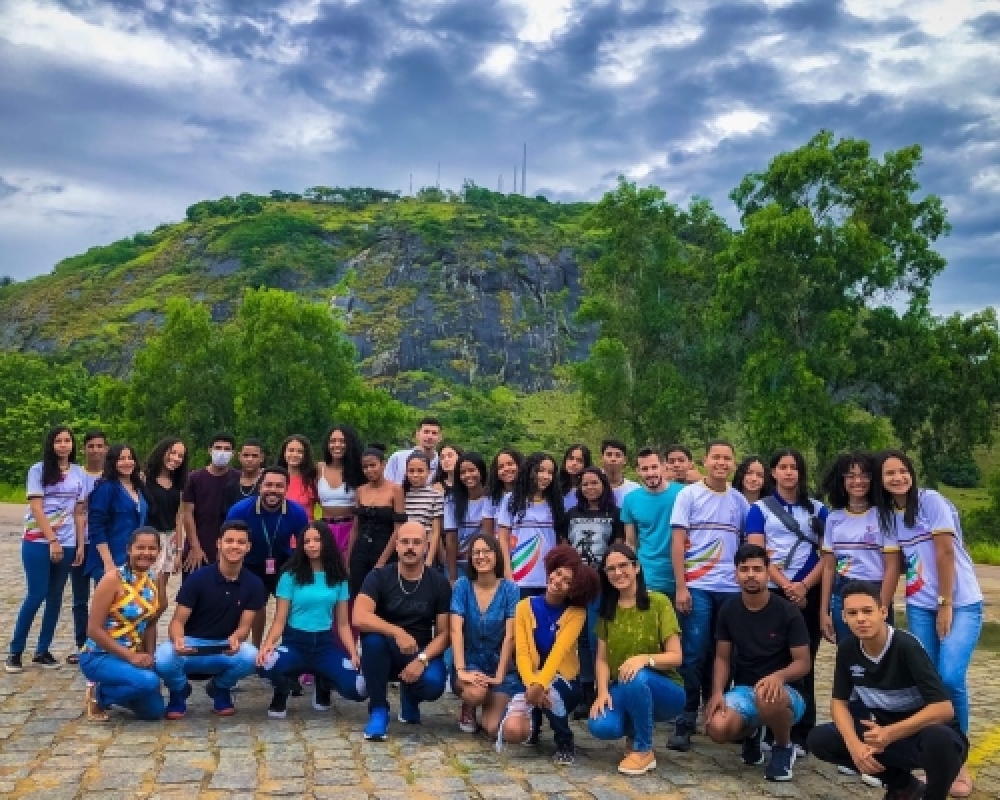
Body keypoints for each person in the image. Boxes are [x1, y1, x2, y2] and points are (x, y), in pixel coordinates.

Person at [873, 449, 982, 798]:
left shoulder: (930, 501)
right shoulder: (887, 516)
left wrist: (945, 602)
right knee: (928, 684)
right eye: (889, 473)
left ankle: (958, 760)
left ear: (911, 473)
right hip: (919, 606)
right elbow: (892, 568)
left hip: (960, 601)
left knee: (950, 678)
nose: (897, 478)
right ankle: (935, 752)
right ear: (881, 480)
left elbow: (945, 553)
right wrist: (880, 606)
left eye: (902, 471)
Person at [807, 581, 969, 800]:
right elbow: (839, 703)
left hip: (930, 740)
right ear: (844, 617)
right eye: (852, 613)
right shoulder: (847, 650)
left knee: (938, 738)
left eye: (867, 611)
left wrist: (889, 733)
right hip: (887, 738)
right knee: (820, 739)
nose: (861, 619)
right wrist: (854, 746)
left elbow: (943, 709)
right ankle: (904, 786)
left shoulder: (906, 647)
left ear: (883, 612)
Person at [704, 544, 811, 783]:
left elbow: (803, 663)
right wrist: (718, 692)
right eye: (744, 569)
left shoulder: (787, 611)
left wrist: (779, 677)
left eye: (757, 569)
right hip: (745, 690)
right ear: (736, 573)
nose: (750, 575)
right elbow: (722, 656)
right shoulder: (729, 609)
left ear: (767, 572)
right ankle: (752, 731)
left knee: (768, 695)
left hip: (788, 694)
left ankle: (783, 747)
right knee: (717, 728)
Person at [668, 440, 749, 752]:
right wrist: (681, 585)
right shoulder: (689, 495)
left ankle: (718, 711)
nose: (721, 462)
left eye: (727, 458)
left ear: (732, 463)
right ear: (704, 461)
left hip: (731, 589)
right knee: (693, 653)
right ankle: (685, 720)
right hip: (697, 587)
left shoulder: (740, 502)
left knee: (725, 653)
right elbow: (677, 542)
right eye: (716, 457)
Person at [745, 449, 827, 752]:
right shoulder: (760, 510)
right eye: (783, 467)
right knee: (773, 659)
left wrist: (803, 586)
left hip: (810, 591)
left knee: (804, 661)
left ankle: (803, 733)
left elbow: (827, 554)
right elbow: (758, 553)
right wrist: (786, 586)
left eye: (794, 467)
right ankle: (770, 728)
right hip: (774, 592)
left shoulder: (819, 510)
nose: (789, 472)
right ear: (773, 472)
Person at [496, 545, 600, 765]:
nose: (558, 580)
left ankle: (564, 740)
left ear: (575, 589)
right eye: (558, 573)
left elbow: (558, 653)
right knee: (513, 731)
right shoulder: (524, 607)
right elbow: (522, 653)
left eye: (568, 581)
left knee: (551, 693)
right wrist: (532, 683)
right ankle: (533, 725)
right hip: (529, 678)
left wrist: (540, 686)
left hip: (565, 683)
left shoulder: (576, 614)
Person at [587, 542, 685, 776]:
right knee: (600, 726)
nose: (618, 573)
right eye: (611, 569)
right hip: (624, 684)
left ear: (637, 567)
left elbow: (676, 657)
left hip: (666, 689)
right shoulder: (607, 610)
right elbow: (601, 659)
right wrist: (601, 692)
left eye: (623, 566)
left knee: (635, 675)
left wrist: (645, 659)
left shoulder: (659, 602)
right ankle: (633, 733)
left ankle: (643, 750)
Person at [154, 521, 264, 718]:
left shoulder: (254, 584)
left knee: (251, 657)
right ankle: (179, 691)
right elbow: (177, 621)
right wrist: (178, 639)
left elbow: (244, 627)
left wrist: (236, 638)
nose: (234, 546)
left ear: (248, 547)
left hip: (223, 647)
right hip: (191, 645)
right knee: (162, 658)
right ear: (219, 544)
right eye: (229, 541)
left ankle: (220, 688)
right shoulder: (198, 578)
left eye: (240, 542)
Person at [353, 521, 451, 741]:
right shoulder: (379, 576)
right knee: (372, 641)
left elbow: (445, 634)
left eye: (416, 543)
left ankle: (411, 697)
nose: (410, 547)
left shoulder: (438, 583)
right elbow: (359, 616)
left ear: (426, 547)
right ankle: (378, 710)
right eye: (405, 542)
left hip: (420, 651)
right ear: (396, 545)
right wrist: (397, 632)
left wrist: (422, 660)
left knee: (434, 683)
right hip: (385, 650)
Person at [257, 520, 366, 718]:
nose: (312, 545)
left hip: (325, 646)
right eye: (307, 541)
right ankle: (283, 688)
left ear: (327, 542)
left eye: (317, 540)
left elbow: (342, 624)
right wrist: (268, 644)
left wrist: (353, 653)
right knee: (265, 663)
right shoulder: (290, 575)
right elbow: (279, 620)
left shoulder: (338, 577)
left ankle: (324, 682)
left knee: (358, 689)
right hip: (295, 644)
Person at [7, 426, 87, 673]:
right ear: (51, 444)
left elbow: (79, 511)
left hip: (69, 541)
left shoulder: (78, 473)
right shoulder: (38, 470)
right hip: (38, 540)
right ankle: (15, 651)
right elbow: (37, 508)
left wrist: (80, 544)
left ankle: (43, 650)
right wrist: (52, 540)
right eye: (58, 441)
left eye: (67, 441)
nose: (63, 445)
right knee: (36, 594)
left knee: (55, 598)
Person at [80, 527, 165, 721]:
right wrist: (131, 657)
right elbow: (93, 629)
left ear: (159, 552)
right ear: (129, 549)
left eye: (152, 548)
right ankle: (98, 696)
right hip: (100, 656)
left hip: (132, 654)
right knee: (148, 682)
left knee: (155, 711)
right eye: (140, 548)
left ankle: (125, 688)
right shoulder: (112, 579)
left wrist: (149, 657)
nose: (146, 553)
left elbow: (151, 623)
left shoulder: (155, 579)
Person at [819, 452, 900, 645]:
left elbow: (893, 567)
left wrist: (882, 607)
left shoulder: (885, 516)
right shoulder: (834, 518)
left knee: (879, 656)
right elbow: (829, 567)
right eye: (851, 476)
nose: (858, 481)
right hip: (842, 592)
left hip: (876, 592)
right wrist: (824, 611)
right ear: (842, 481)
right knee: (848, 655)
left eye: (864, 475)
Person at [225, 467, 311, 647]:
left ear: (287, 488)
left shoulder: (297, 512)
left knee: (292, 605)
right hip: (250, 564)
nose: (273, 490)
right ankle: (256, 647)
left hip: (284, 563)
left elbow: (305, 545)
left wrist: (303, 573)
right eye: (268, 485)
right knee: (256, 605)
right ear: (260, 486)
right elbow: (227, 543)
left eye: (279, 486)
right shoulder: (240, 510)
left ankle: (289, 647)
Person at [562, 467, 624, 717]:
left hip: (603, 582)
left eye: (594, 483)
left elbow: (619, 547)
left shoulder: (615, 514)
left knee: (597, 634)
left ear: (604, 485)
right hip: (577, 582)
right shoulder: (572, 514)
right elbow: (565, 548)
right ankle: (584, 688)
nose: (590, 488)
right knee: (579, 637)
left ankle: (604, 687)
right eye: (585, 484)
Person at [450, 532, 519, 735]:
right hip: (470, 661)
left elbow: (510, 636)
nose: (481, 556)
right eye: (475, 552)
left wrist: (498, 676)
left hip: (499, 664)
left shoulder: (510, 589)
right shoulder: (462, 586)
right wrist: (461, 670)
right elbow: (456, 629)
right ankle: (469, 705)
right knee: (475, 693)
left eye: (486, 551)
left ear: (496, 555)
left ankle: (497, 701)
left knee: (492, 728)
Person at [496, 452, 567, 599]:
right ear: (529, 471)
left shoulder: (555, 502)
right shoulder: (511, 500)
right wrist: (508, 574)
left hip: (549, 578)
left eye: (550, 472)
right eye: (541, 470)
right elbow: (502, 539)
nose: (546, 476)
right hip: (519, 577)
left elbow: (561, 541)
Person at [621, 448, 684, 600]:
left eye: (654, 467)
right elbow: (630, 543)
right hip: (648, 576)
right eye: (645, 469)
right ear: (638, 471)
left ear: (664, 466)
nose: (650, 473)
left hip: (682, 575)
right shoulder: (630, 499)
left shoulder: (684, 493)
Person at [68, 429, 108, 664]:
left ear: (105, 448)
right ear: (84, 448)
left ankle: (102, 642)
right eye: (90, 446)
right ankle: (82, 644)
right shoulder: (77, 475)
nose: (95, 450)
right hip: (79, 542)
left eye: (99, 445)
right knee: (79, 599)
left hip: (102, 544)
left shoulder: (110, 476)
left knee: (104, 597)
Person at [84, 443, 150, 584]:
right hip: (111, 559)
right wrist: (108, 563)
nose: (127, 462)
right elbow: (96, 526)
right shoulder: (106, 488)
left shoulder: (139, 487)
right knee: (112, 604)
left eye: (130, 458)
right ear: (113, 462)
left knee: (134, 604)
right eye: (121, 459)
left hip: (135, 559)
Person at [345, 447, 406, 597]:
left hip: (386, 548)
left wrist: (382, 560)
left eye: (373, 465)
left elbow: (398, 529)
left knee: (383, 595)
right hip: (361, 550)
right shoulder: (360, 491)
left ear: (383, 464)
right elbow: (355, 527)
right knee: (359, 594)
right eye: (365, 467)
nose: (369, 470)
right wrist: (348, 557)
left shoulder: (396, 490)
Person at [181, 433, 238, 577]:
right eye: (218, 448)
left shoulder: (238, 478)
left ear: (233, 453)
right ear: (210, 450)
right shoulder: (194, 478)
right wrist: (195, 547)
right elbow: (187, 513)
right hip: (198, 548)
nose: (222, 452)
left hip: (229, 548)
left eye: (227, 449)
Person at [144, 438, 188, 588]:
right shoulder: (144, 479)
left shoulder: (180, 483)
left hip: (170, 540)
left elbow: (179, 517)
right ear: (162, 452)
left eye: (180, 456)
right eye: (172, 453)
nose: (175, 458)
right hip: (148, 539)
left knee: (160, 595)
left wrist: (179, 552)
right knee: (146, 590)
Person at [444, 452, 491, 583]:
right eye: (463, 472)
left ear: (481, 471)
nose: (467, 475)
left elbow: (490, 536)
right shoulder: (451, 501)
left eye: (472, 470)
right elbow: (451, 539)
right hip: (458, 563)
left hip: (484, 560)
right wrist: (452, 576)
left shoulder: (491, 499)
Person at [317, 425, 364, 554]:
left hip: (351, 529)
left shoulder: (358, 470)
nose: (337, 445)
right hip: (325, 529)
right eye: (332, 441)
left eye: (342, 441)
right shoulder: (319, 469)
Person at [402, 452, 445, 568]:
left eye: (420, 471)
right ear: (406, 472)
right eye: (411, 471)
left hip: (426, 548)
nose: (415, 475)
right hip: (404, 548)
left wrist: (430, 559)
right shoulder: (401, 494)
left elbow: (436, 531)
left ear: (429, 472)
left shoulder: (436, 495)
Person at [384, 417, 442, 486]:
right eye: (426, 432)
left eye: (434, 433)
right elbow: (386, 485)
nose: (430, 436)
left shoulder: (442, 463)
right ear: (417, 434)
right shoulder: (398, 458)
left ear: (440, 438)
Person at [481, 448, 522, 538]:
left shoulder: (529, 495)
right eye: (501, 467)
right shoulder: (491, 498)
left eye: (510, 464)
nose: (506, 469)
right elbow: (487, 534)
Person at [277, 434, 318, 515]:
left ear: (305, 455)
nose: (295, 454)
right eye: (291, 450)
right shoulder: (275, 479)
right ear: (284, 453)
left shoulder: (313, 480)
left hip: (306, 526)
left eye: (300, 451)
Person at [222, 438, 265, 513]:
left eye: (254, 456)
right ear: (239, 457)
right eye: (246, 455)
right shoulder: (231, 485)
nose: (250, 459)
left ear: (261, 458)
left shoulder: (267, 483)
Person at [599, 439, 639, 506]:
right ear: (602, 458)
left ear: (625, 460)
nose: (613, 459)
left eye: (618, 455)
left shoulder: (634, 490)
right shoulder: (591, 487)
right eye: (609, 455)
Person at [559, 443, 592, 511]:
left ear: (586, 465)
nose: (574, 463)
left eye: (580, 461)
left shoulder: (590, 487)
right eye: (571, 458)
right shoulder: (555, 485)